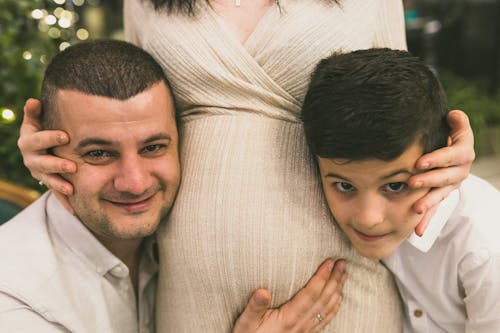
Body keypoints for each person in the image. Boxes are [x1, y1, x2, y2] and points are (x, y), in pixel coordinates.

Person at [17, 0, 476, 331]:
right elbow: (137, 105)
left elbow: (400, 109)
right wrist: (55, 143)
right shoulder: (147, 4)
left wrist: (450, 143)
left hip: (339, 286)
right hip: (189, 291)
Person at [0, 40, 348, 333]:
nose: (135, 183)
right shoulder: (15, 297)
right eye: (100, 154)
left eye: (153, 147)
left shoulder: (177, 230)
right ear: (47, 151)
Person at [302, 47, 500, 332]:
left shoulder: (485, 250)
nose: (368, 218)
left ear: (443, 160)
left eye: (395, 186)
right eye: (344, 185)